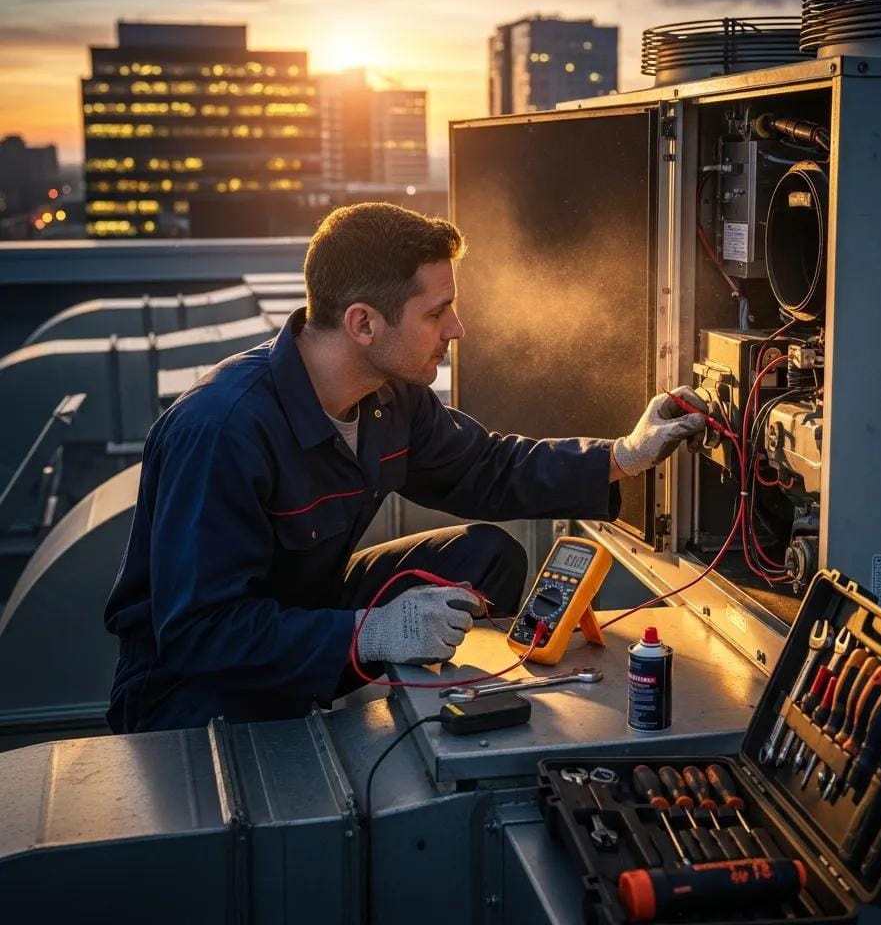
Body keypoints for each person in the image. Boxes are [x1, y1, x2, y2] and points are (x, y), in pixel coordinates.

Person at [104, 203, 708, 732]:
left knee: (486, 555)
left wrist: (623, 455)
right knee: (237, 714)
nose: (456, 329)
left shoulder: (389, 396)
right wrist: (370, 633)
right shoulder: (222, 429)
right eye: (436, 312)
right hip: (189, 686)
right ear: (363, 323)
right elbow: (199, 633)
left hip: (306, 613)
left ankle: (406, 711)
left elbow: (487, 468)